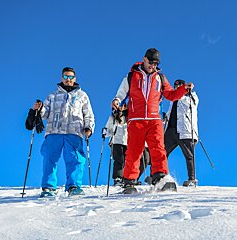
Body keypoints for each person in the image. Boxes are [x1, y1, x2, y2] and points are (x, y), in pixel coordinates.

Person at [111, 48, 194, 191]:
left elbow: (171, 95)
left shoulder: (160, 78)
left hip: (154, 119)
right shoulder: (131, 77)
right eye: (151, 62)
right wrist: (116, 101)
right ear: (144, 59)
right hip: (136, 119)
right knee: (134, 151)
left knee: (158, 149)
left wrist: (184, 90)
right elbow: (121, 93)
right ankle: (129, 181)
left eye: (156, 63)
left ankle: (160, 177)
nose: (153, 66)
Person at [32, 67, 95, 197]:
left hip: (74, 131)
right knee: (49, 157)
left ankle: (73, 186)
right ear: (62, 78)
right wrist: (40, 109)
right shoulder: (52, 96)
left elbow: (88, 114)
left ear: (75, 79)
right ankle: (48, 188)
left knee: (75, 159)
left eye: (71, 77)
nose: (68, 79)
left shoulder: (82, 96)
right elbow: (45, 114)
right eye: (66, 77)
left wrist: (88, 127)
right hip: (54, 131)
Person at [104, 104, 151, 186]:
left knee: (132, 161)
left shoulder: (132, 116)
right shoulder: (113, 117)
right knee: (120, 160)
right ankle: (118, 178)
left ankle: (133, 178)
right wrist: (105, 132)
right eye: (121, 105)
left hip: (129, 142)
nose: (123, 107)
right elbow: (108, 129)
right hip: (117, 142)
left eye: (125, 106)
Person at [164, 79, 199, 187]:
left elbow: (192, 102)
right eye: (175, 85)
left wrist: (188, 90)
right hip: (171, 130)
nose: (177, 87)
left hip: (184, 130)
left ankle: (192, 179)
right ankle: (160, 175)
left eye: (179, 85)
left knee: (189, 155)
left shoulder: (190, 97)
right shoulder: (172, 100)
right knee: (162, 152)